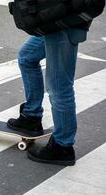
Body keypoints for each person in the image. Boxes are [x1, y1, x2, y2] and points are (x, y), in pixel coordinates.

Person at [6, 22, 92, 166]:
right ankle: (31, 116)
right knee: (27, 57)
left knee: (59, 86)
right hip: (53, 22)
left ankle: (63, 146)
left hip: (64, 23)